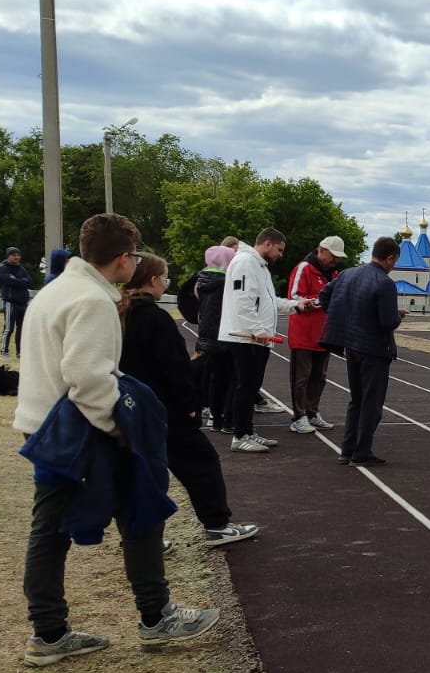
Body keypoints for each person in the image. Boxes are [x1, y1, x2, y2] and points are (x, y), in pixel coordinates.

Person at [13, 213, 219, 667]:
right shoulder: (91, 300)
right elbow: (88, 377)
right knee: (139, 507)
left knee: (53, 527)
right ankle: (154, 616)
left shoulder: (57, 290)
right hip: (73, 428)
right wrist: (119, 430)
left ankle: (50, 630)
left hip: (46, 421)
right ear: (124, 260)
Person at [118, 254, 260, 547]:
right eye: (165, 277)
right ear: (154, 280)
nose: (166, 283)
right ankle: (217, 524)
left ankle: (142, 536)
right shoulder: (155, 318)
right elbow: (174, 367)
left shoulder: (120, 314)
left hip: (132, 408)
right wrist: (190, 405)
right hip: (165, 409)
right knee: (202, 463)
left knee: (142, 472)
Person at [219, 228, 309, 453]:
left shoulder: (260, 267)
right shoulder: (245, 263)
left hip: (257, 338)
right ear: (268, 244)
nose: (280, 254)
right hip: (246, 338)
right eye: (279, 249)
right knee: (245, 387)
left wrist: (295, 305)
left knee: (251, 387)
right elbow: (243, 301)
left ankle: (247, 431)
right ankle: (239, 435)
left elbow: (268, 302)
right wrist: (258, 330)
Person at [319, 236, 405, 467]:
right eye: (394, 261)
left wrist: (343, 317)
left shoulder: (348, 274)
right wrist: (399, 316)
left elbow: (324, 296)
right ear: (390, 258)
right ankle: (362, 452)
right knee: (372, 403)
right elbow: (387, 322)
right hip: (375, 349)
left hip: (352, 346)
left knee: (356, 400)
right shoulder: (385, 283)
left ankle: (347, 450)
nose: (393, 266)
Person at [286, 235, 345, 433]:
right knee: (301, 377)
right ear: (321, 250)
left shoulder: (334, 273)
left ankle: (312, 412)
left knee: (319, 376)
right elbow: (294, 297)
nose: (335, 260)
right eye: (333, 255)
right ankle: (299, 416)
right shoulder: (304, 268)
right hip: (304, 333)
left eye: (338, 257)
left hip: (324, 333)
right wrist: (318, 301)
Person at [193, 245, 236, 432]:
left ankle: (214, 416)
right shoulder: (226, 282)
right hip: (224, 334)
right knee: (231, 378)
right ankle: (228, 419)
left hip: (206, 334)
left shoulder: (201, 281)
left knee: (215, 378)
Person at [0, 246, 32, 359]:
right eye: (14, 255)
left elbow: (29, 281)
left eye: (18, 255)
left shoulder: (21, 268)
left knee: (22, 328)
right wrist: (21, 281)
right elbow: (9, 281)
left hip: (23, 302)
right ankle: (4, 351)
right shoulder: (3, 268)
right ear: (8, 256)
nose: (16, 257)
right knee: (9, 328)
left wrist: (18, 280)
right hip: (10, 302)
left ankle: (20, 352)